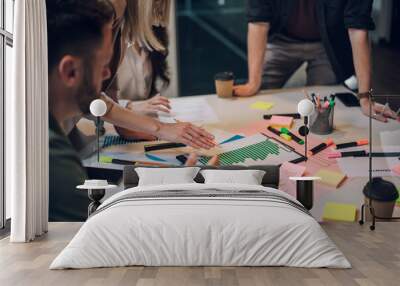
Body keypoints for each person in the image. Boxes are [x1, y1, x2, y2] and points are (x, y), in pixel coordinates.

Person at [47, 0, 217, 221]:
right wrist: (174, 193)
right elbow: (106, 234)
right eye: (102, 65)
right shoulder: (53, 159)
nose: (108, 74)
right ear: (70, 71)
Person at [233, 0, 398, 122]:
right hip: (281, 42)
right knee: (258, 97)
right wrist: (253, 82)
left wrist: (365, 97)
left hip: (328, 45)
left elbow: (358, 30)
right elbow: (258, 23)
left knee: (324, 107)